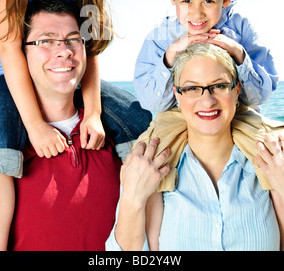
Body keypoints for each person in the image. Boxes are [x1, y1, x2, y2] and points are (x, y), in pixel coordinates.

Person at [0, 0, 151, 250]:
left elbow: (87, 48)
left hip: (60, 66)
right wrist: (35, 125)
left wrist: (92, 112)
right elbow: (10, 49)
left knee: (137, 120)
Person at [133, 0, 282, 193]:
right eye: (187, 1)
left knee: (270, 148)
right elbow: (151, 102)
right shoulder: (161, 36)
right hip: (177, 113)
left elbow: (260, 96)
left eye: (209, 1)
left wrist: (238, 54)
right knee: (151, 152)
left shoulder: (241, 29)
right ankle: (156, 212)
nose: (197, 14)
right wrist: (170, 57)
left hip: (235, 109)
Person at [107, 43, 284, 251]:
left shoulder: (273, 165)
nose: (207, 101)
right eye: (191, 88)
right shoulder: (152, 172)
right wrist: (131, 199)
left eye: (219, 86)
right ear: (177, 95)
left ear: (236, 91)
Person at [7, 0, 121, 251]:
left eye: (73, 39)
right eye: (46, 40)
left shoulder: (118, 140)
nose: (64, 51)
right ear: (22, 52)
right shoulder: (1, 149)